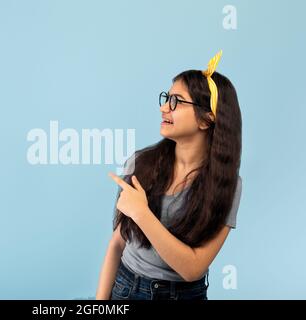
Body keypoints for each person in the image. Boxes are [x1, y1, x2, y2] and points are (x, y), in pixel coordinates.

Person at [96, 50, 243, 300]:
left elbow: (192, 269)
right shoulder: (141, 163)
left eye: (176, 101)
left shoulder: (228, 185)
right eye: (166, 98)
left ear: (207, 120)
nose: (164, 107)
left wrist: (142, 213)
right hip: (126, 289)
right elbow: (117, 244)